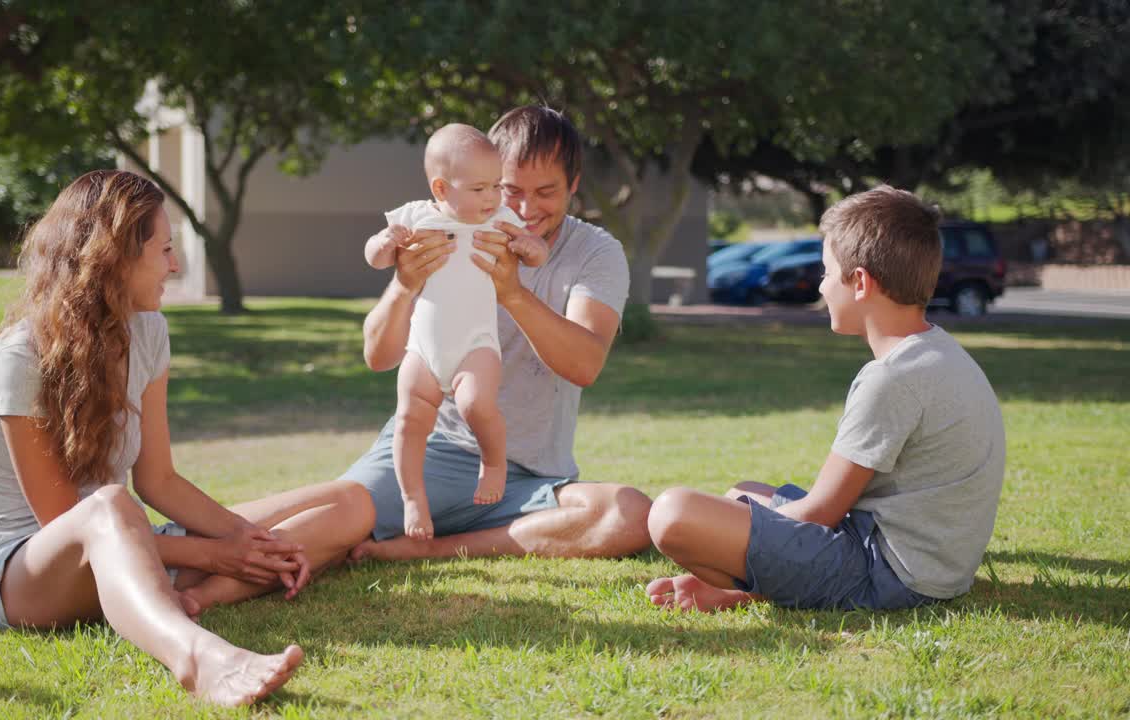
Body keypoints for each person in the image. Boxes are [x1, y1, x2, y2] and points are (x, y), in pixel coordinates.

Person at [0, 170, 375, 706]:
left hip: (126, 538)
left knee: (350, 503)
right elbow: (64, 522)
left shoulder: (148, 332)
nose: (175, 266)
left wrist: (242, 543)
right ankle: (199, 659)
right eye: (165, 249)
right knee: (109, 506)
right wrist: (215, 551)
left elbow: (158, 480)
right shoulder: (22, 357)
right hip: (22, 572)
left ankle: (190, 598)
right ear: (114, 258)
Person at [645, 185, 1006, 612]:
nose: (821, 285)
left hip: (889, 576)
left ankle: (746, 587)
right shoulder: (938, 352)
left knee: (673, 512)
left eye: (826, 272)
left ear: (860, 283)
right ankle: (750, 573)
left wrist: (730, 562)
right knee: (743, 493)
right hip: (925, 564)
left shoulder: (891, 378)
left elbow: (820, 513)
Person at [346, 106, 653, 562]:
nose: (527, 210)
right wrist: (404, 284)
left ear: (573, 183)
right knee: (333, 519)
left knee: (629, 514)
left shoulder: (596, 252)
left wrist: (512, 293)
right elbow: (377, 356)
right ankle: (214, 546)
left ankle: (428, 550)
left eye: (546, 191)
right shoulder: (445, 226)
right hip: (436, 453)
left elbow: (584, 365)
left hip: (530, 481)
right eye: (509, 191)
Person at [363, 123, 546, 540]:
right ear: (442, 189)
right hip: (423, 349)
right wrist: (384, 243)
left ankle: (493, 463)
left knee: (476, 405)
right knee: (410, 418)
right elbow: (375, 257)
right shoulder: (416, 217)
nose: (492, 197)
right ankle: (413, 498)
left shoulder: (500, 219)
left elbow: (533, 249)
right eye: (479, 188)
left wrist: (533, 249)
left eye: (497, 186)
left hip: (475, 346)